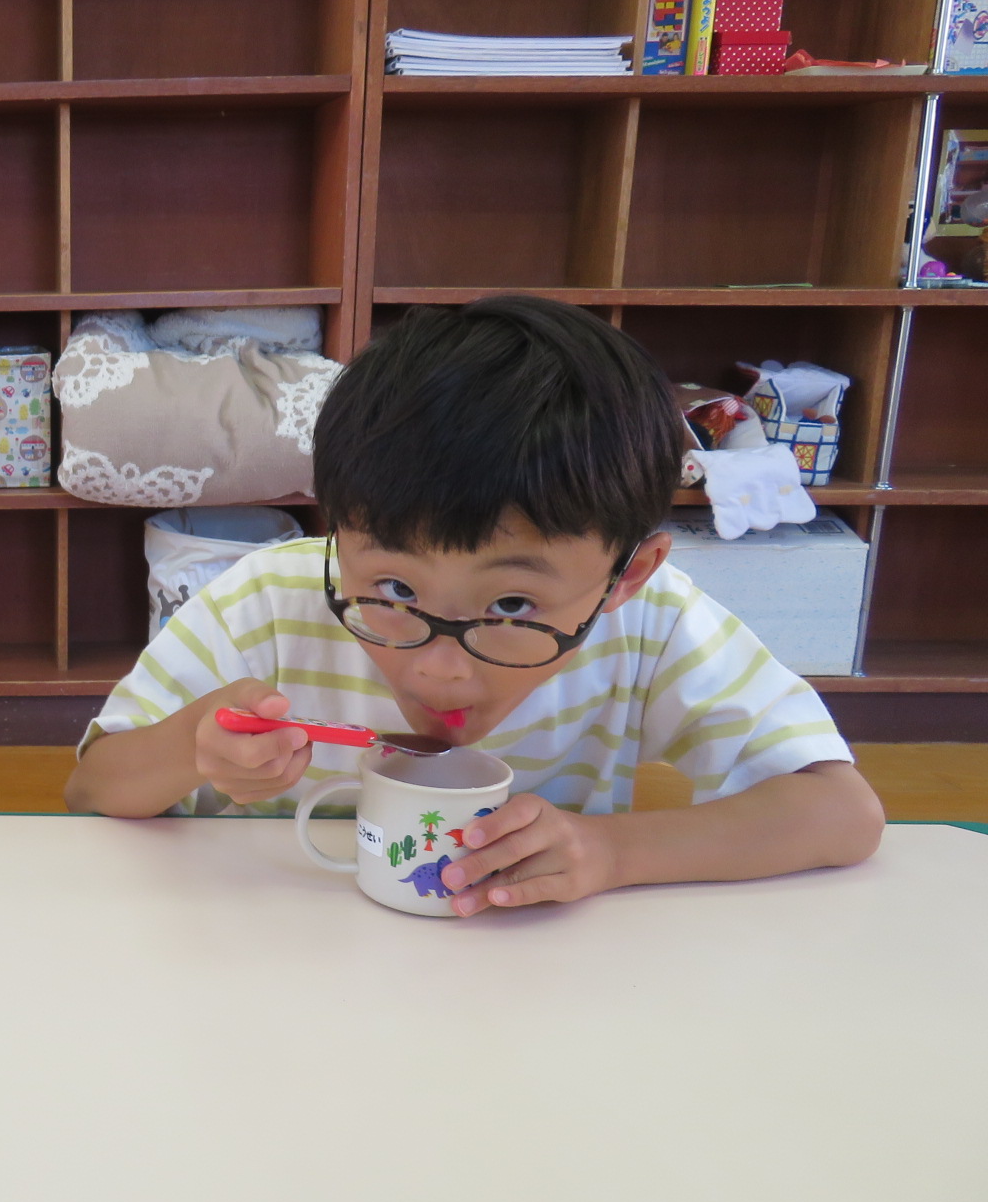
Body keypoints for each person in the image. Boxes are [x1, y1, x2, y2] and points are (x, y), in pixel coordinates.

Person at [65, 296, 883, 914]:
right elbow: (92, 789)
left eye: (514, 604)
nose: (439, 671)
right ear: (339, 533)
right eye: (394, 591)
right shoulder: (269, 602)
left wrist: (610, 851)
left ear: (626, 576)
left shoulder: (651, 622)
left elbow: (842, 812)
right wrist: (194, 746)